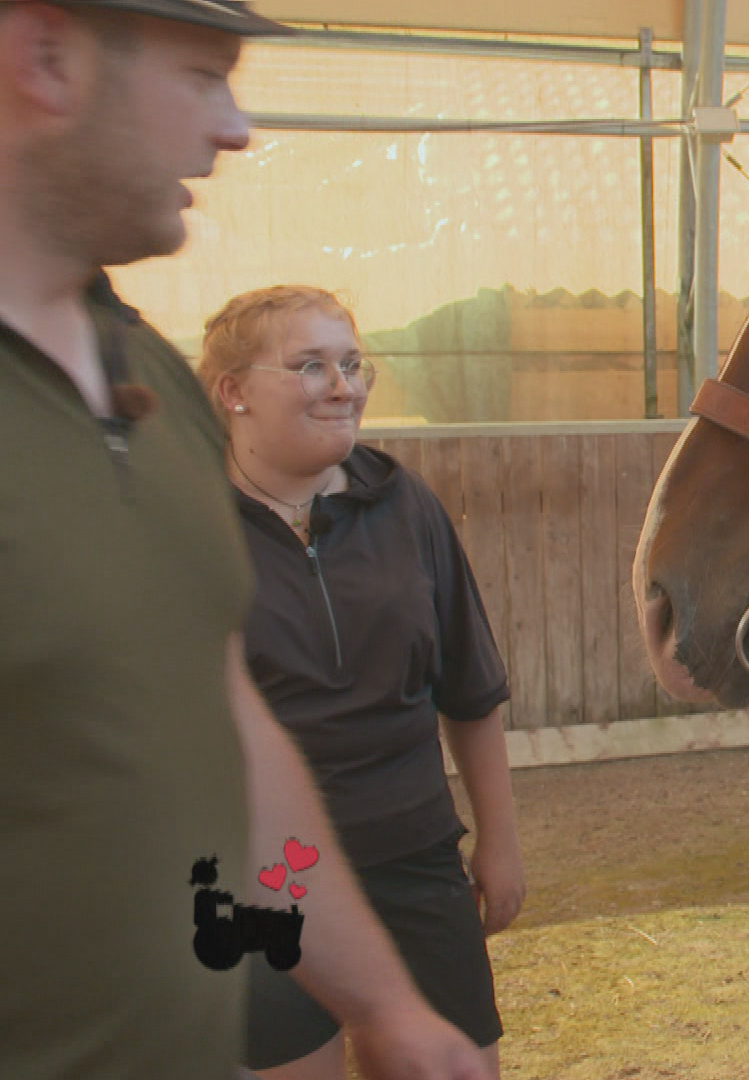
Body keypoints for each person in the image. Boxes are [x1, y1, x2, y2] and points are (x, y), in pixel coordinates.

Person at [0, 4, 491, 1078]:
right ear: (45, 58)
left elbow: (225, 722)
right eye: (200, 74)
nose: (235, 129)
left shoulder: (147, 378)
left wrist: (388, 1009)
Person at [198, 285, 524, 1079]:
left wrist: (501, 843)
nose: (344, 386)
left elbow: (470, 690)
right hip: (262, 878)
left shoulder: (404, 504)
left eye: (352, 364)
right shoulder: (190, 524)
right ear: (233, 392)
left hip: (413, 857)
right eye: (311, 366)